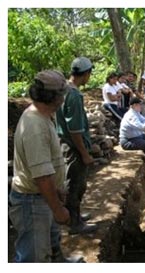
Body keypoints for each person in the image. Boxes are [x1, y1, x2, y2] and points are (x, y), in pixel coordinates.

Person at [9, 70, 83, 262]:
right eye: (61, 95)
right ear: (53, 97)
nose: (63, 99)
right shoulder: (35, 127)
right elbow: (41, 177)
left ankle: (59, 262)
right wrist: (58, 210)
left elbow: (47, 165)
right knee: (33, 256)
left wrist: (57, 191)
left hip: (41, 197)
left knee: (52, 241)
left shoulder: (43, 116)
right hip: (32, 201)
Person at [56, 57, 98, 235]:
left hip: (67, 144)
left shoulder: (64, 90)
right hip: (73, 147)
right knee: (75, 184)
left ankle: (77, 216)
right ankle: (74, 223)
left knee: (77, 183)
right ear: (86, 74)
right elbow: (74, 129)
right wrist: (84, 153)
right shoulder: (73, 95)